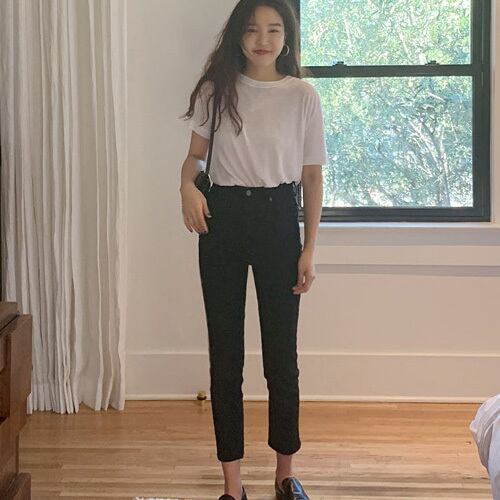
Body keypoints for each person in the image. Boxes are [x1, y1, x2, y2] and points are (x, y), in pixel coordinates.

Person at [179, 1, 326, 498]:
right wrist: (187, 187)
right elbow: (195, 158)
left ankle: (285, 476)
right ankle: (233, 485)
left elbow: (311, 177)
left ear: (286, 37)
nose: (263, 39)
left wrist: (309, 248)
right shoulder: (215, 89)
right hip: (222, 220)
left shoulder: (302, 95)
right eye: (253, 29)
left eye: (274, 29)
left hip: (278, 219)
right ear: (238, 36)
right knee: (225, 356)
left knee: (282, 356)